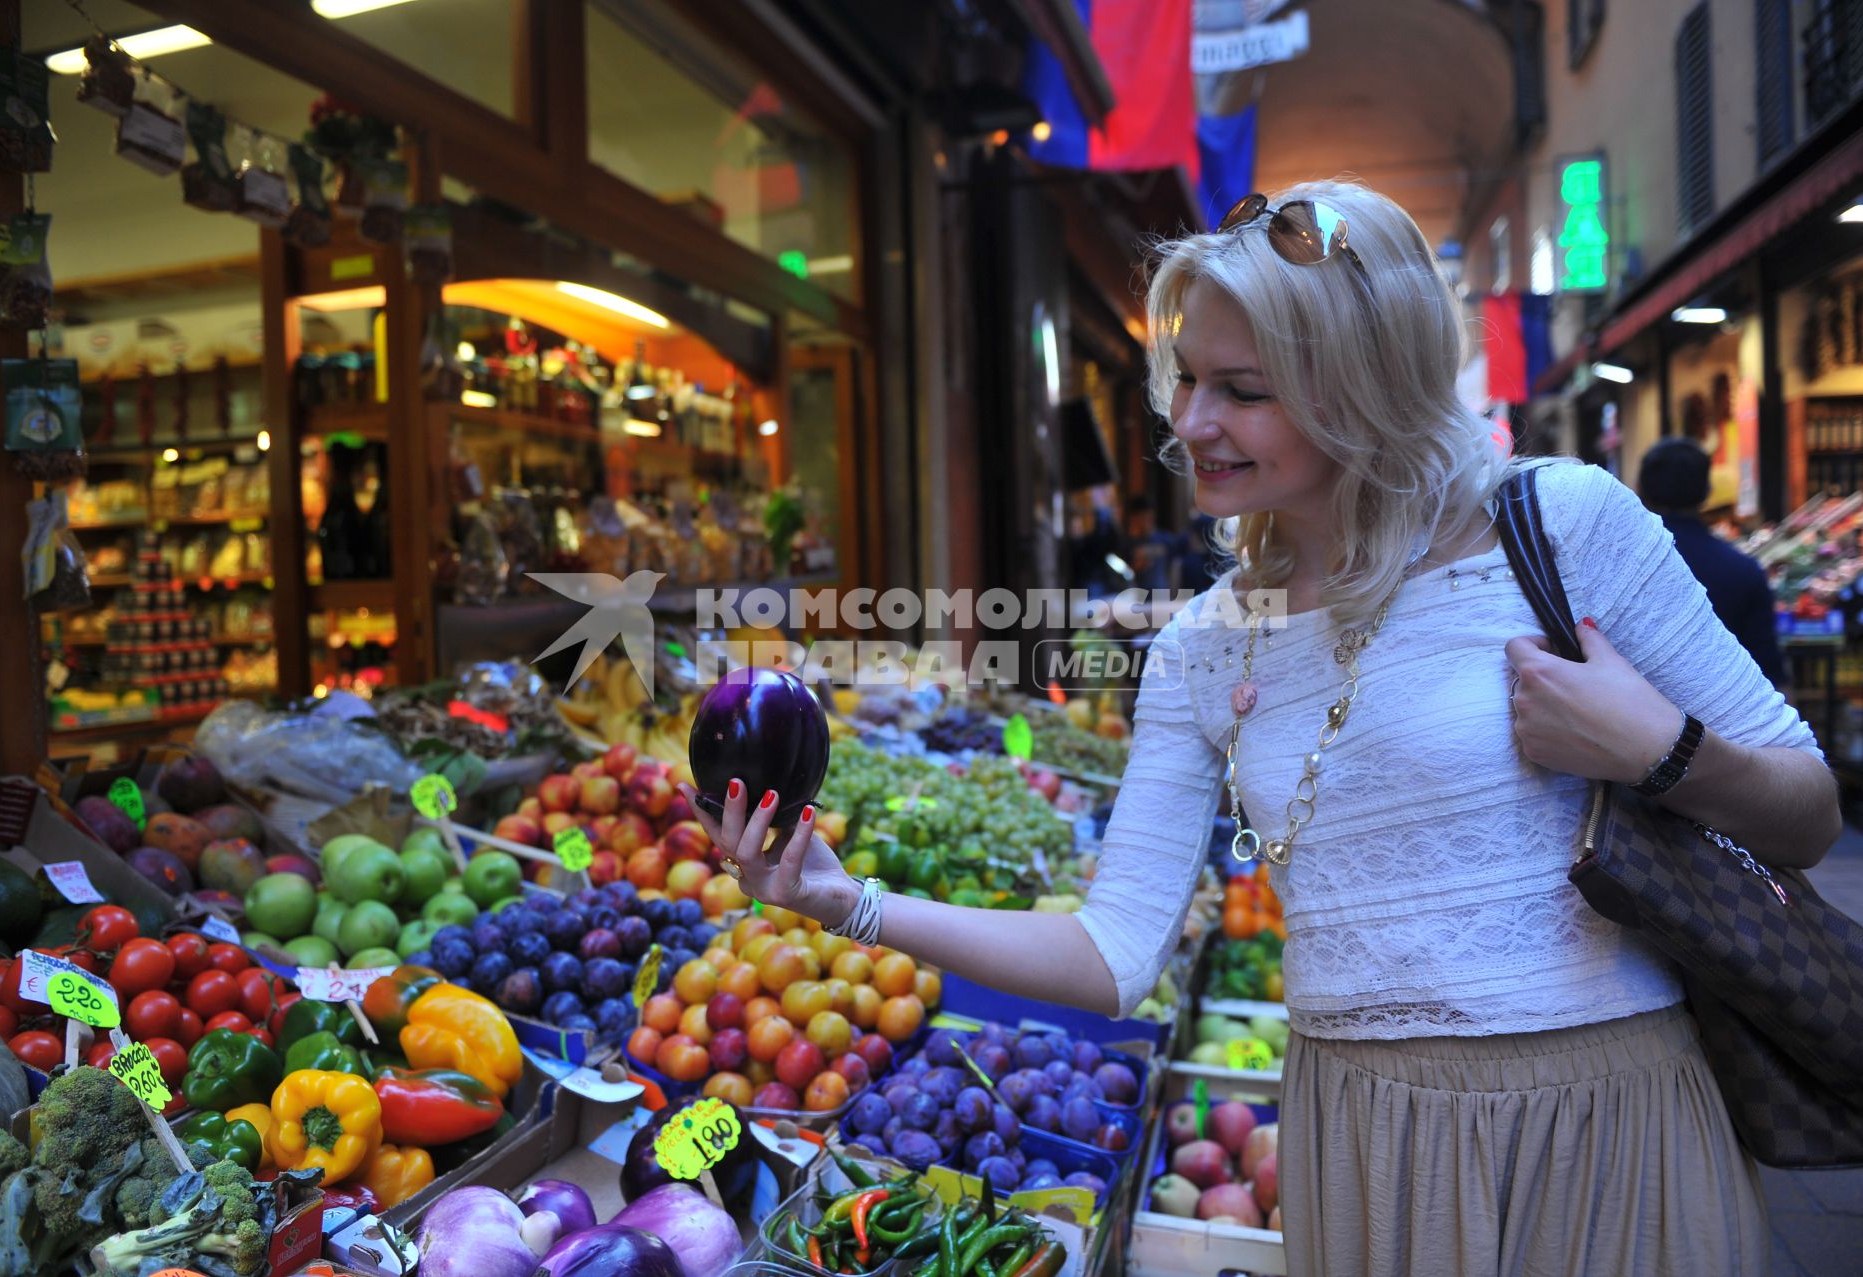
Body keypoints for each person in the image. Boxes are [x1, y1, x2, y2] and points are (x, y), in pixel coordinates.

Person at [682, 180, 1840, 1276]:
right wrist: (849, 904)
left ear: (1363, 378)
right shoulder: (1202, 644)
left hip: (1601, 1124)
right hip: (1365, 1146)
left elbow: (1807, 807)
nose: (1190, 421)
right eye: (1186, 380)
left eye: (1243, 389)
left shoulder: (1560, 526)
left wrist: (1658, 751)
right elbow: (1114, 952)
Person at [1637, 437, 1788, 688]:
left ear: (1639, 488)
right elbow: (1769, 671)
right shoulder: (1743, 570)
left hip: (1630, 716)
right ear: (1707, 491)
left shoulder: (1618, 564)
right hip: (1723, 714)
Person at [1124, 494, 1186, 592]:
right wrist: (1137, 567)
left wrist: (1175, 590)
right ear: (1134, 518)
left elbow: (1176, 567)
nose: (1145, 519)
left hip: (1162, 592)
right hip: (1138, 593)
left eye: (1147, 515)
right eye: (1141, 516)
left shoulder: (1166, 539)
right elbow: (1125, 572)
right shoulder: (1129, 543)